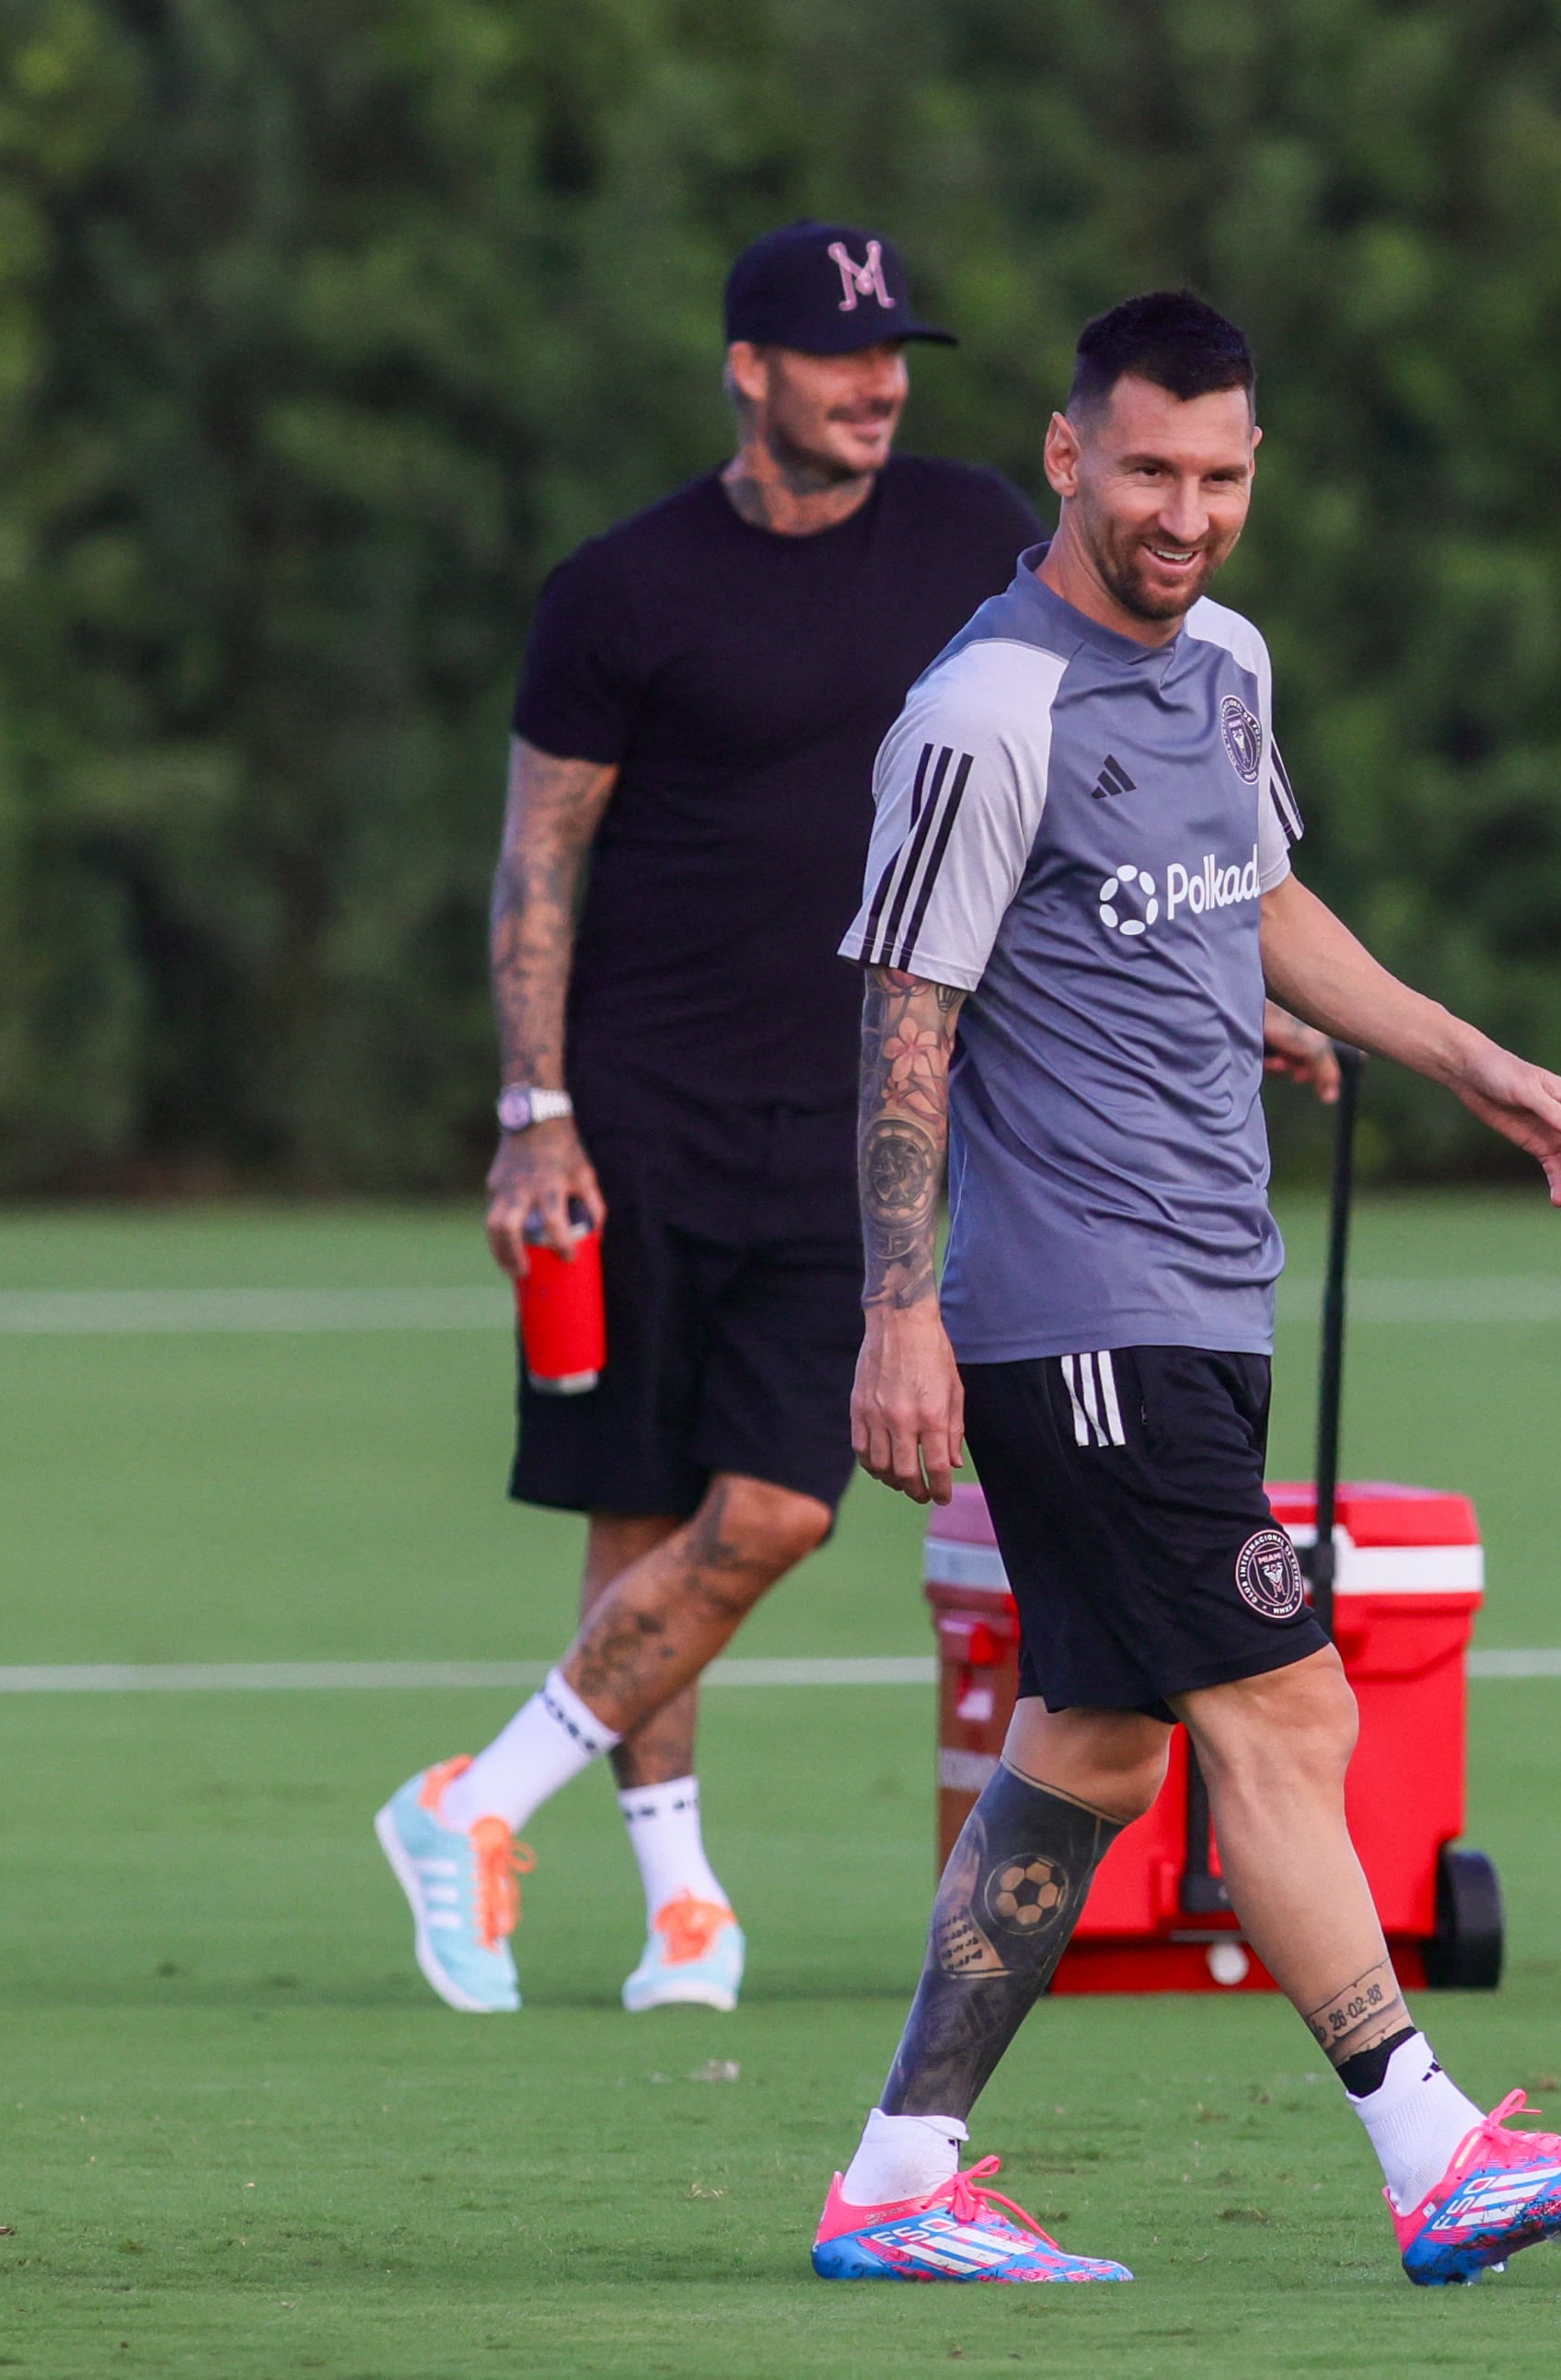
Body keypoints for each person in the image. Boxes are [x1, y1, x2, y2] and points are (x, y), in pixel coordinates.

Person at [810, 292, 1561, 2289]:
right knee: (1284, 1704)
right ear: (1062, 455)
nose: (1182, 513)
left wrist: (1460, 1055)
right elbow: (908, 1013)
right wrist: (896, 1306)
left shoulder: (1222, 668)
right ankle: (1430, 2143)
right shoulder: (985, 709)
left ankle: (901, 2173)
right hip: (1074, 1310)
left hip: (1204, 1295)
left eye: (1218, 476)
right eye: (1143, 471)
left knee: (1101, 1744)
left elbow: (1246, 899)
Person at [376, 223, 1045, 2018]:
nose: (879, 381)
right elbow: (539, 861)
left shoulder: (976, 532)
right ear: (748, 368)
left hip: (862, 1120)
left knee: (775, 1510)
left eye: (895, 349)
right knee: (640, 1507)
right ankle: (685, 1913)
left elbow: (1084, 761)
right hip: (643, 1116)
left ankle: (473, 1800)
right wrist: (536, 1117)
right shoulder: (623, 589)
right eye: (840, 355)